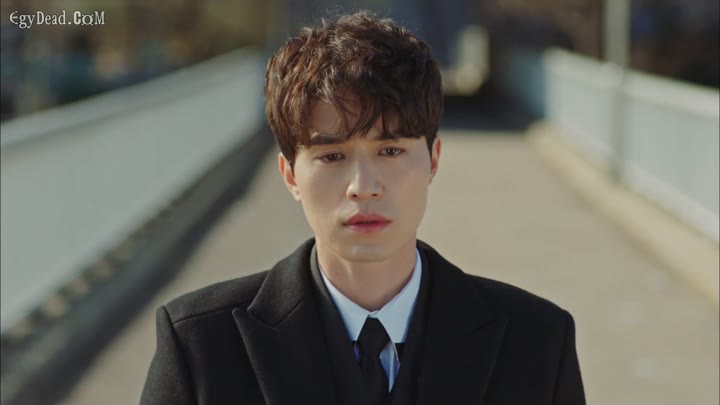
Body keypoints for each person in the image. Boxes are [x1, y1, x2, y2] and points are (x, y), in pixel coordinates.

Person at [140, 10, 585, 405]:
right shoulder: (200, 344)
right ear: (290, 176)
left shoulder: (537, 341)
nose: (363, 187)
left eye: (390, 151)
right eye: (332, 156)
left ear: (433, 161)